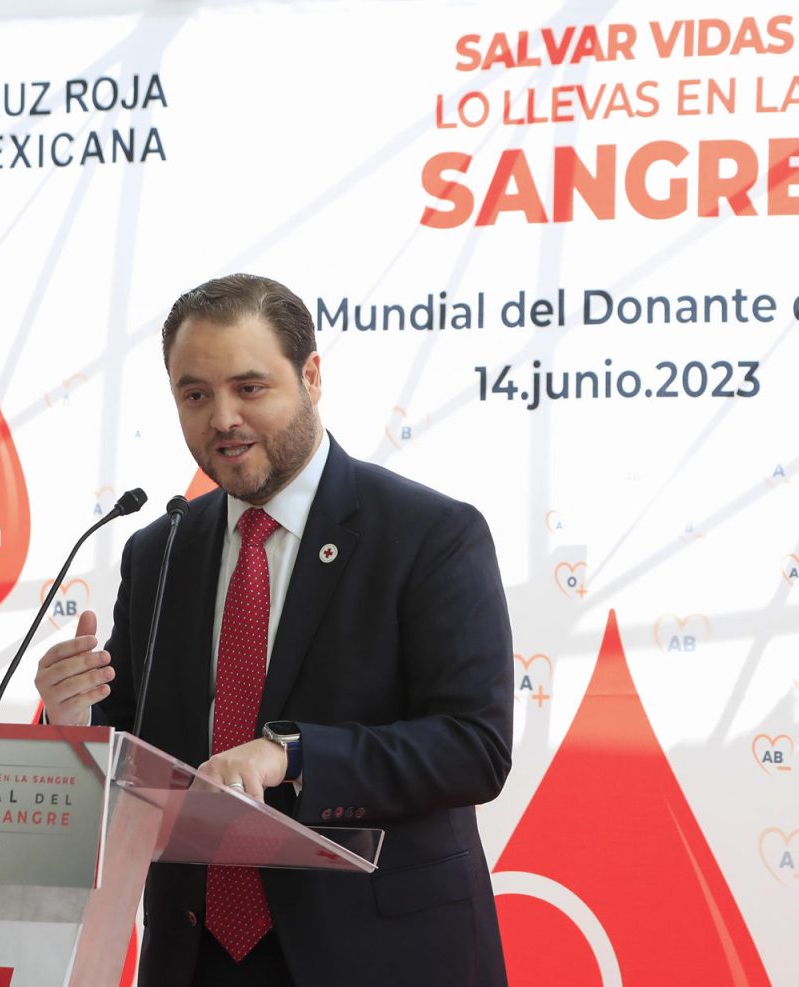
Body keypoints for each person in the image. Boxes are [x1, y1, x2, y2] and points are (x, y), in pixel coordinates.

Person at [34, 274, 513, 987]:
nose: (222, 417)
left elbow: (475, 747)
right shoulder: (158, 550)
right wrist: (77, 719)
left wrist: (290, 755)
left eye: (250, 387)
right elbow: (139, 751)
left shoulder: (429, 535)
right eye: (195, 395)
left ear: (312, 376)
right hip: (197, 956)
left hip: (381, 954)